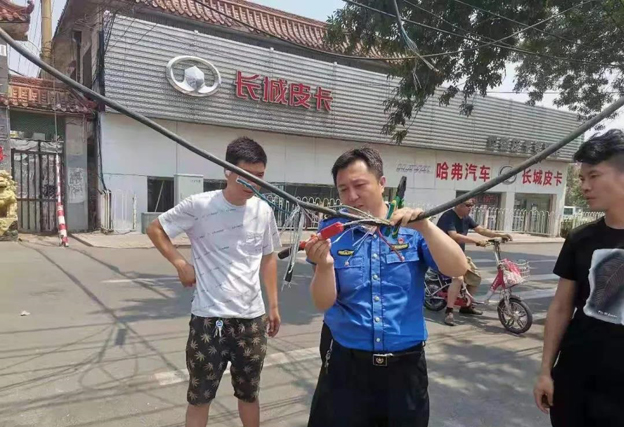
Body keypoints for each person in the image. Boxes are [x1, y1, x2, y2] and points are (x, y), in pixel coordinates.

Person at [305, 147, 468, 427]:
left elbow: (457, 268)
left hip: (405, 369)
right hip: (347, 367)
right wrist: (325, 265)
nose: (352, 196)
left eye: (359, 185)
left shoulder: (412, 228)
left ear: (382, 183)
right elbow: (322, 302)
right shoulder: (333, 233)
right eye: (343, 189)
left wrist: (427, 227)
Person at [146, 137, 281, 427]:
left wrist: (273, 305)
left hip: (251, 322)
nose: (253, 184)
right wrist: (180, 263)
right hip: (209, 320)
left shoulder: (263, 211)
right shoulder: (200, 205)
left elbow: (268, 257)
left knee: (249, 395)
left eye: (259, 176)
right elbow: (155, 229)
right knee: (200, 398)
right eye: (245, 175)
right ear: (227, 170)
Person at [533, 129, 624, 427]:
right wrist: (545, 371)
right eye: (582, 178)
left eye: (594, 176)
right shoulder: (580, 239)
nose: (585, 186)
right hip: (576, 379)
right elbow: (561, 307)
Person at [436, 199, 512, 326]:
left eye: (472, 205)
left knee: (476, 277)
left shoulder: (466, 218)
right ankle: (449, 311)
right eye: (468, 205)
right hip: (443, 254)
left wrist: (499, 235)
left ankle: (466, 307)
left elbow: (481, 230)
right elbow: (454, 236)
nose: (470, 208)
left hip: (458, 254)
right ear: (458, 205)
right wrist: (476, 241)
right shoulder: (448, 216)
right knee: (458, 279)